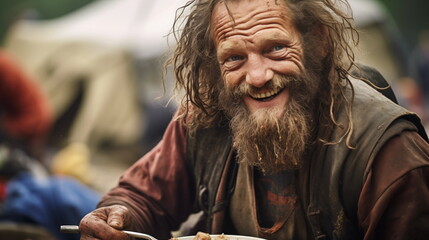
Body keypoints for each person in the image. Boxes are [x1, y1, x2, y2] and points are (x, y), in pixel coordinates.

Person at [78, 0, 429, 239]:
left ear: (318, 42)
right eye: (234, 58)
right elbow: (144, 198)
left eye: (275, 48)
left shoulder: (389, 152)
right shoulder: (207, 117)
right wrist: (117, 216)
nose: (258, 76)